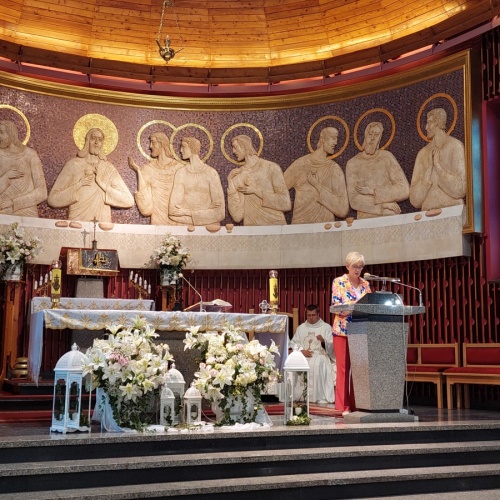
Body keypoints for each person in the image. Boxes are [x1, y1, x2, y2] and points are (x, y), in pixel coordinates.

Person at [48, 127, 134, 222]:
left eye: (100, 140)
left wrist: (101, 183)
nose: (96, 142)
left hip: (102, 224)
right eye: (93, 138)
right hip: (77, 223)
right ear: (87, 141)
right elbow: (53, 199)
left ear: (102, 144)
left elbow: (128, 200)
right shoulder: (73, 165)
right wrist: (79, 184)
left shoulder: (108, 168)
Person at [331, 251, 371, 415]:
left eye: (360, 267)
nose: (358, 270)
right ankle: (343, 406)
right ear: (347, 266)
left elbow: (369, 306)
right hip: (342, 331)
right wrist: (354, 307)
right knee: (343, 369)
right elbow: (337, 307)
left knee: (359, 369)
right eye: (355, 266)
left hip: (361, 330)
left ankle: (357, 404)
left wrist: (353, 308)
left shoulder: (365, 284)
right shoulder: (338, 282)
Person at [284, 127, 349, 224]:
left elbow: (343, 210)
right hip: (300, 226)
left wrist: (318, 186)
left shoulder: (335, 169)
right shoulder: (300, 164)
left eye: (337, 139)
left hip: (325, 226)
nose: (336, 143)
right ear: (323, 139)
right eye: (333, 138)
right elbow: (279, 190)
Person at [346, 122, 409, 218]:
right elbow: (354, 199)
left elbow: (404, 189)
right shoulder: (353, 163)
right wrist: (384, 205)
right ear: (365, 136)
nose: (372, 138)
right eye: (370, 134)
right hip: (366, 217)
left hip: (390, 215)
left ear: (379, 138)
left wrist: (374, 192)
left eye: (376, 135)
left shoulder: (387, 157)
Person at [227, 134, 291, 225]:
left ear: (245, 147)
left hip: (275, 226)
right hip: (251, 228)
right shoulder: (239, 175)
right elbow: (237, 216)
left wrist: (256, 191)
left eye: (235, 147)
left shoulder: (271, 167)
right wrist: (230, 184)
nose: (233, 151)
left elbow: (285, 203)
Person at [410, 108, 466, 211]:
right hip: (426, 214)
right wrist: (429, 170)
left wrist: (438, 166)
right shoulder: (422, 154)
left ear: (438, 123)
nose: (426, 127)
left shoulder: (455, 146)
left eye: (429, 123)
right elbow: (414, 200)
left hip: (452, 212)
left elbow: (460, 189)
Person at [128, 132, 183, 225]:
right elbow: (145, 208)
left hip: (179, 221)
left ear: (162, 144)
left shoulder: (179, 168)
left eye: (153, 142)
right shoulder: (148, 169)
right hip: (158, 221)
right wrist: (138, 171)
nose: (150, 146)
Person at [169, 136, 225, 226]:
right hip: (185, 228)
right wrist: (206, 212)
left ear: (192, 148)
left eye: (183, 146)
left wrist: (187, 212)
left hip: (209, 229)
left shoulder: (211, 173)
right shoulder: (181, 173)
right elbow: (173, 212)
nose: (180, 150)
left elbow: (220, 213)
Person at [289, 304, 336, 403]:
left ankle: (316, 396)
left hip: (320, 354)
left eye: (313, 315)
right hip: (304, 354)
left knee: (317, 364)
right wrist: (301, 350)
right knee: (296, 363)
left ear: (318, 314)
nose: (311, 317)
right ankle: (300, 396)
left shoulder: (326, 327)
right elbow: (294, 343)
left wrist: (323, 341)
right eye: (309, 315)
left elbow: (332, 344)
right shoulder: (301, 328)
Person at [0, 120, 47, 217]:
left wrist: (14, 203)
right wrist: (6, 177)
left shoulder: (30, 154)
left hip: (27, 213)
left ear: (11, 134)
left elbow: (42, 192)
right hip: (3, 211)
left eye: (1, 132)